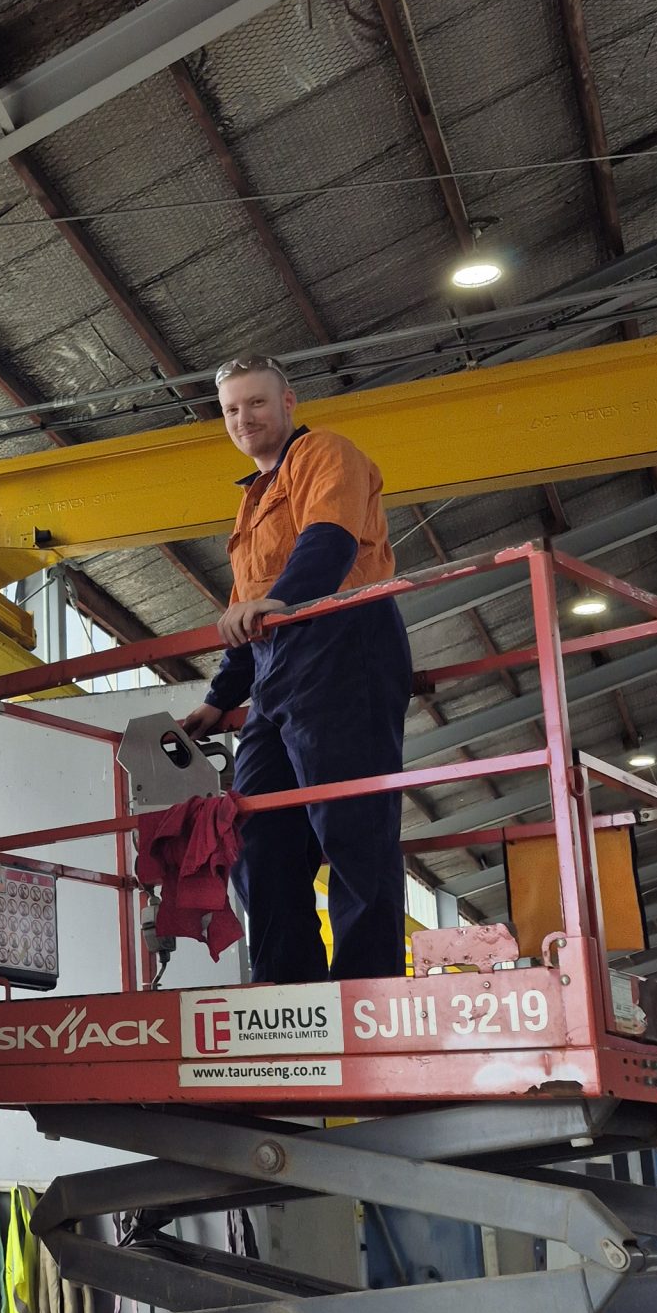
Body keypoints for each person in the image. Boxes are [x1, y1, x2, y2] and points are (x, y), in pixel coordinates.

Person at [178, 356, 412, 983]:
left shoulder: (326, 454)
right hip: (276, 671)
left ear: (288, 401)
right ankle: (287, 987)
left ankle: (366, 989)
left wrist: (282, 601)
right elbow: (243, 609)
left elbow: (329, 541)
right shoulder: (252, 502)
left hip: (345, 645)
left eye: (255, 403)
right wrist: (217, 699)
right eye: (231, 409)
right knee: (258, 832)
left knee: (352, 827)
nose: (243, 418)